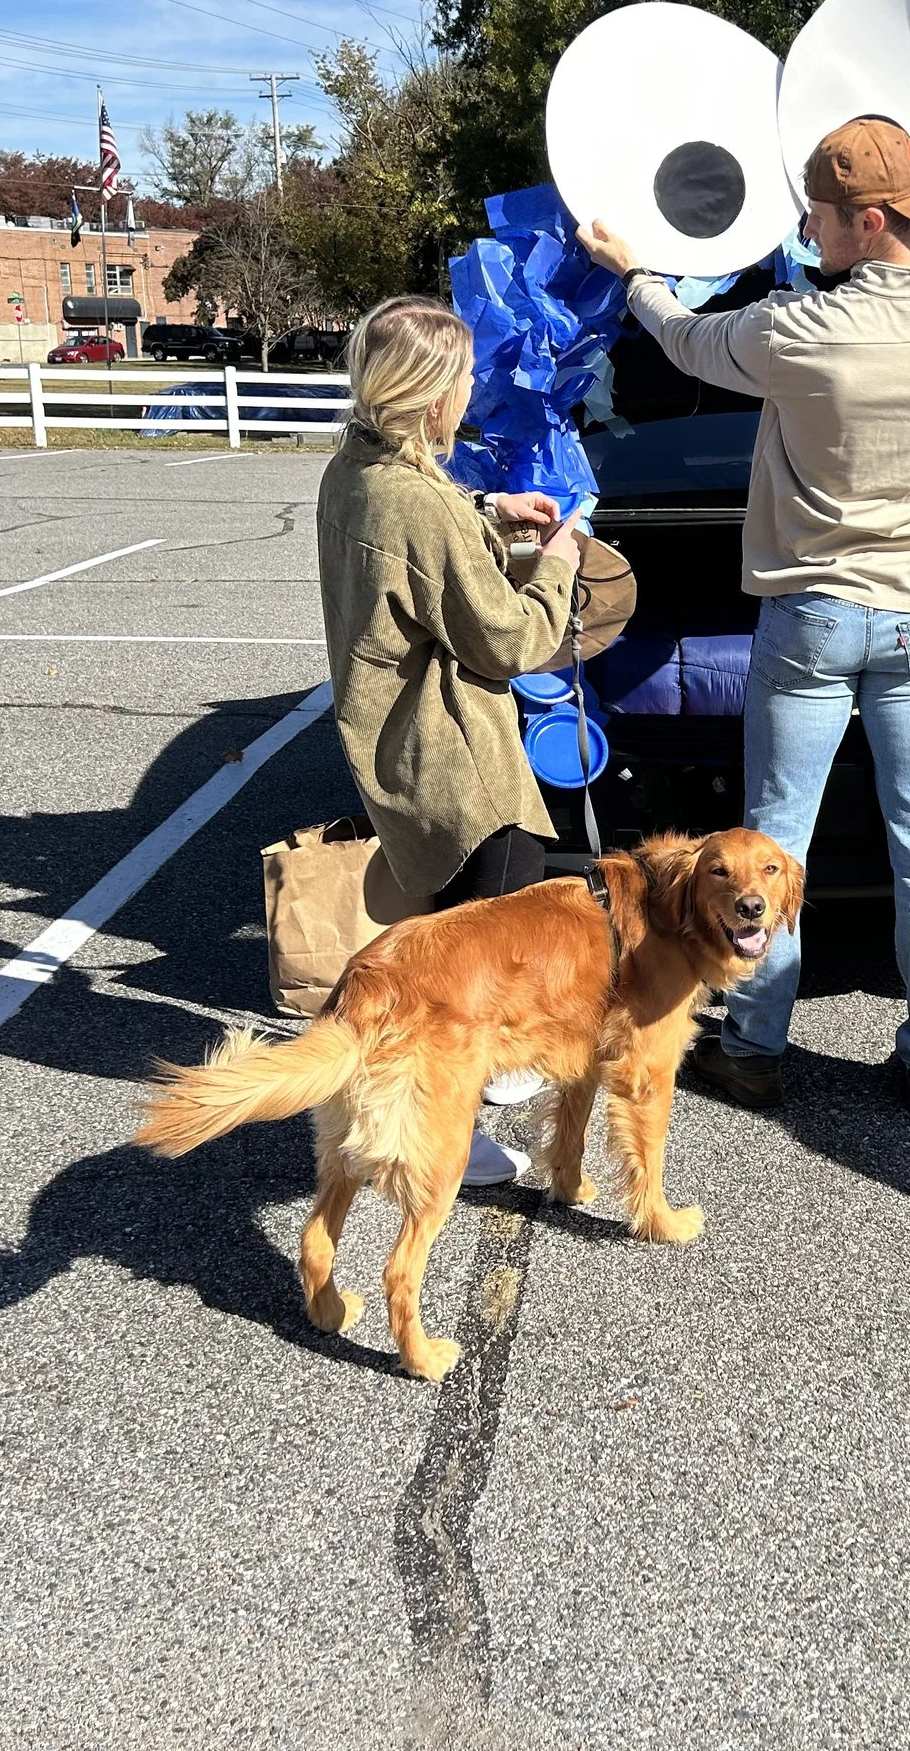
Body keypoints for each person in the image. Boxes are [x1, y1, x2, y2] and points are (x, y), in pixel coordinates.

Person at [579, 120, 910, 1112]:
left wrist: (631, 270)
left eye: (822, 216)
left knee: (773, 845)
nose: (807, 228)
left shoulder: (797, 331)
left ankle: (753, 1047)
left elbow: (677, 336)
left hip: (811, 619)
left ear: (868, 221)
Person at [314, 294, 584, 1184]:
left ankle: (467, 1078)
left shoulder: (355, 470)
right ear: (434, 396)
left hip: (398, 744)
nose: (472, 390)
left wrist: (486, 509)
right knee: (472, 963)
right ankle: (443, 1136)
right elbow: (509, 639)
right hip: (455, 760)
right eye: (465, 378)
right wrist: (560, 568)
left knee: (454, 943)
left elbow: (421, 525)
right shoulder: (415, 504)